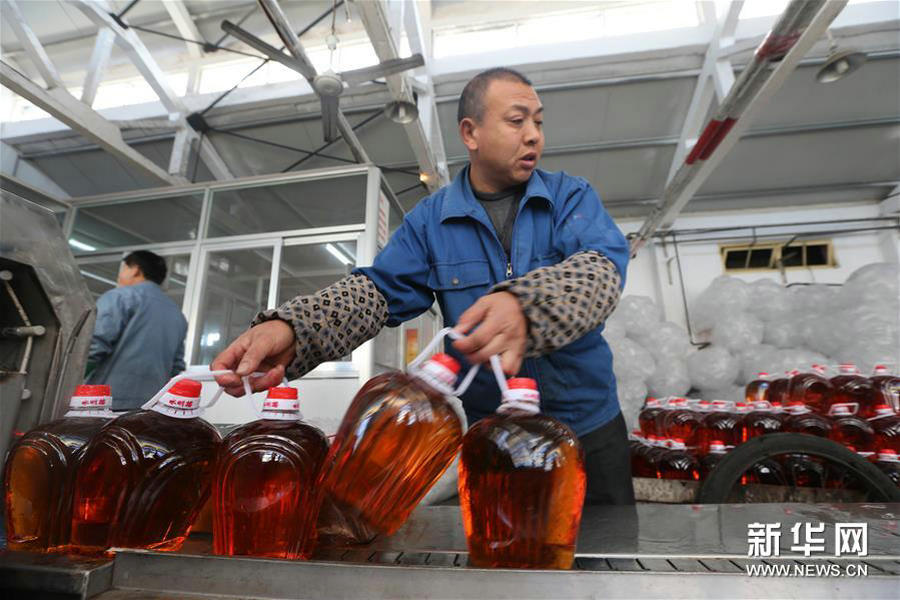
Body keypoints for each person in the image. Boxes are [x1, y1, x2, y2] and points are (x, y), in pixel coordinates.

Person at [213, 68, 633, 504]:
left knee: (605, 559)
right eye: (517, 120)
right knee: (504, 554)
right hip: (494, 436)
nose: (533, 136)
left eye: (538, 122)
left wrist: (528, 306)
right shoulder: (431, 221)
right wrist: (296, 329)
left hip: (587, 427)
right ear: (470, 133)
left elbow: (601, 269)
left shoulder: (569, 197)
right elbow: (376, 292)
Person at [86, 250, 187, 410]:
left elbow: (94, 345)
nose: (120, 275)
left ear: (135, 270)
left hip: (104, 402)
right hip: (151, 407)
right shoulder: (177, 314)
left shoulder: (119, 297)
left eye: (124, 269)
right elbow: (176, 367)